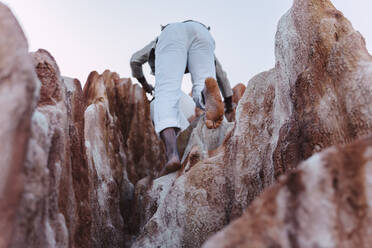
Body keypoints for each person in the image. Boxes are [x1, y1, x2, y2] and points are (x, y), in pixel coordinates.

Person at [130, 20, 234, 176]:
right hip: (202, 32)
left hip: (173, 34)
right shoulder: (199, 32)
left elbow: (135, 60)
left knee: (166, 90)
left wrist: (145, 84)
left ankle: (172, 155)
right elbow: (221, 75)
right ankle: (205, 92)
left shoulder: (164, 36)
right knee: (202, 81)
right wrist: (229, 103)